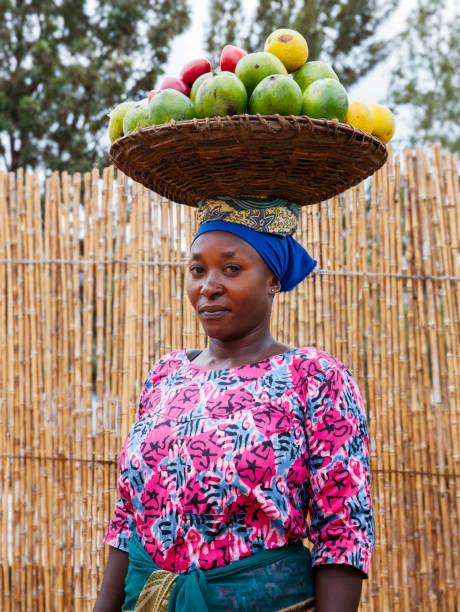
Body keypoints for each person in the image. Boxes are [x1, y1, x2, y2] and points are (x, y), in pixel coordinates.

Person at [94, 197, 373, 612]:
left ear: (272, 279)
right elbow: (129, 518)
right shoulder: (167, 374)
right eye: (196, 270)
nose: (208, 285)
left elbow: (343, 527)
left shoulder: (312, 376)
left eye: (231, 268)